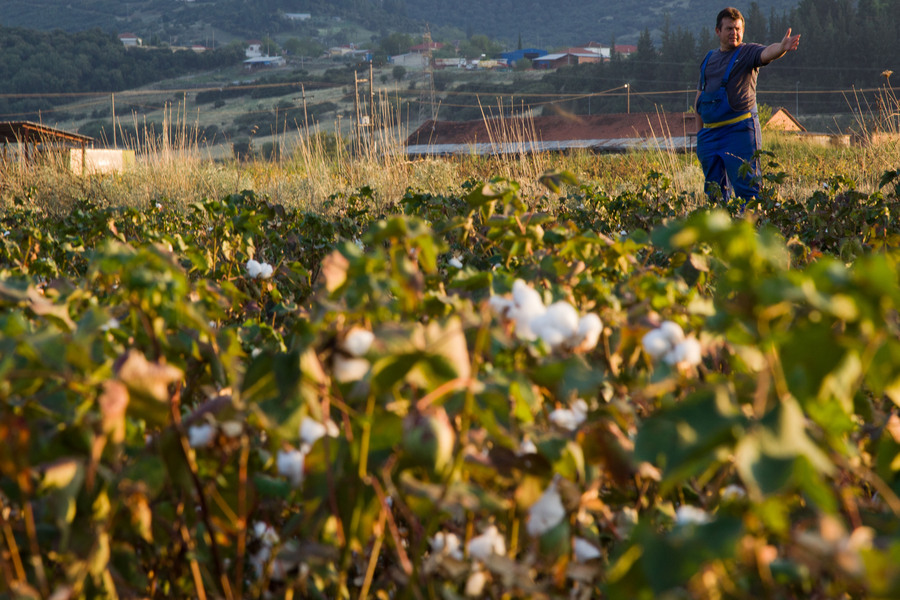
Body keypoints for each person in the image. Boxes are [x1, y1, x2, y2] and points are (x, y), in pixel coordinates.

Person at [695, 7, 800, 203]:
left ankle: (754, 229)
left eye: (738, 29)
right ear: (718, 31)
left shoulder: (747, 53)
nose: (734, 33)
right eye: (729, 29)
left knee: (748, 191)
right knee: (714, 194)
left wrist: (781, 48)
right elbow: (699, 98)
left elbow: (767, 53)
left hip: (739, 132)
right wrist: (700, 135)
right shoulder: (708, 59)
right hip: (709, 137)